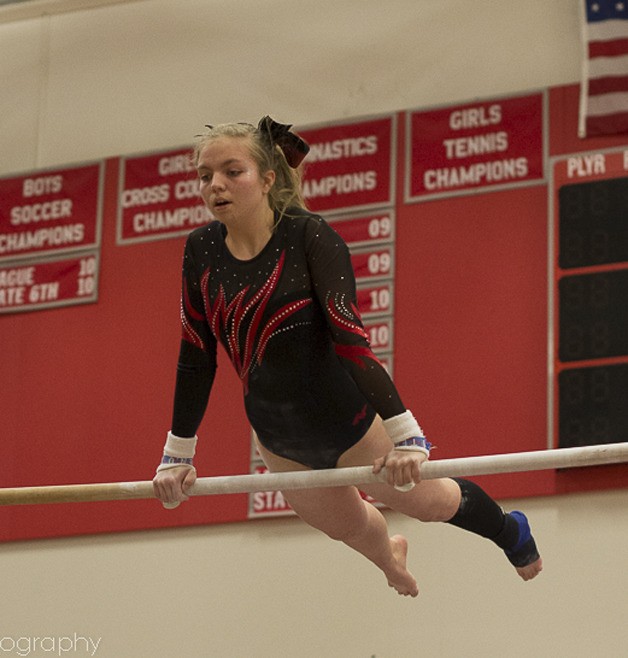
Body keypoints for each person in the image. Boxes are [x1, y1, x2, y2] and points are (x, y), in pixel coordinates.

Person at [152, 117, 542, 597]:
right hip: (278, 439)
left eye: (233, 171)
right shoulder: (200, 249)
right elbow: (196, 353)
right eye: (205, 175)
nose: (216, 185)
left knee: (429, 502)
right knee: (349, 528)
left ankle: (508, 529)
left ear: (268, 177)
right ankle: (389, 559)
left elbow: (350, 338)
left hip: (349, 422)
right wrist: (178, 454)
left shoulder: (310, 236)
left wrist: (406, 435)